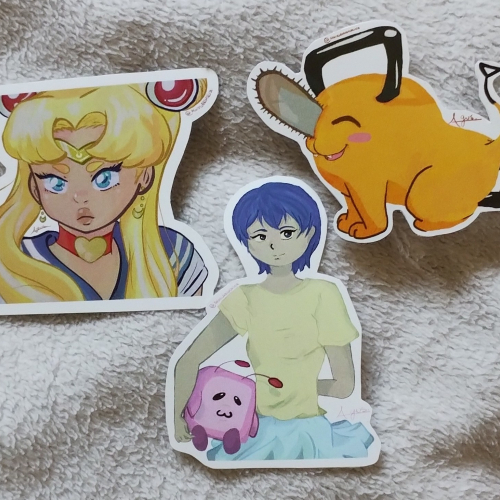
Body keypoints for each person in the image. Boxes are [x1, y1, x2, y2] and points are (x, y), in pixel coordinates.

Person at [173, 182, 374, 461]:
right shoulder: (245, 298)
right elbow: (188, 360)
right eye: (260, 235)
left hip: (308, 432)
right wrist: (178, 416)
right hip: (254, 431)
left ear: (309, 234)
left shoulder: (323, 294)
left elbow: (345, 384)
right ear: (246, 241)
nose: (273, 244)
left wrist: (299, 388)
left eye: (287, 232)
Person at [0, 80, 210, 302]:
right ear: (34, 187)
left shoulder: (171, 252)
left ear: (144, 175)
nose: (80, 197)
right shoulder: (14, 264)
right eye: (55, 182)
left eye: (105, 178)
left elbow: (191, 317)